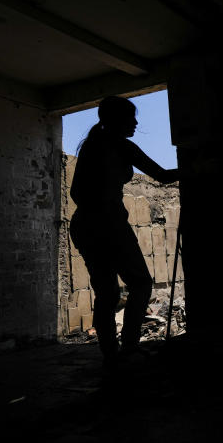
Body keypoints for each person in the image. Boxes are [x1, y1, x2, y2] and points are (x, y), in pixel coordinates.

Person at [69, 96, 180, 364]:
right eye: (131, 117)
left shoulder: (90, 146)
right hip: (109, 225)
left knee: (107, 293)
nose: (136, 122)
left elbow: (75, 193)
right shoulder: (120, 146)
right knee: (140, 283)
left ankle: (111, 355)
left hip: (85, 225)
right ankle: (128, 346)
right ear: (117, 120)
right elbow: (163, 176)